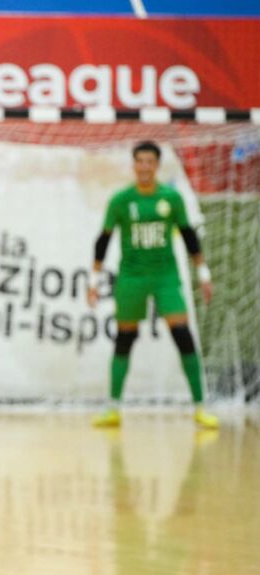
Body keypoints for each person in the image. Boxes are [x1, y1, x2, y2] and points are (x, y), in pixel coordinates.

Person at [87, 140, 218, 429]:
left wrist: (204, 274)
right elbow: (103, 242)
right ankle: (113, 409)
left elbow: (188, 236)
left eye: (150, 161)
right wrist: (93, 282)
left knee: (182, 334)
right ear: (134, 165)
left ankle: (200, 407)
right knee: (125, 338)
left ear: (157, 165)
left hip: (165, 276)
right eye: (140, 161)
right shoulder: (121, 200)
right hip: (132, 277)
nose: (145, 166)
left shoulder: (171, 198)